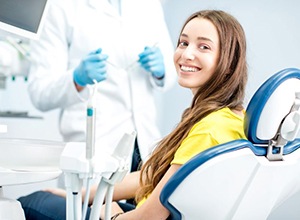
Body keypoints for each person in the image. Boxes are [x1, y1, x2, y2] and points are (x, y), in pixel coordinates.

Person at [19, 9, 248, 219]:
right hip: (103, 144)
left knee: (29, 203)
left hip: (140, 177)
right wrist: (81, 196)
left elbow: (151, 215)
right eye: (183, 43)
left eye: (203, 47)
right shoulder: (229, 118)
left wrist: (111, 214)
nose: (186, 54)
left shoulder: (209, 128)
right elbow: (153, 177)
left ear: (229, 61)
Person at [27, 0, 176, 172]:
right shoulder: (59, 6)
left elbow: (171, 73)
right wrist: (76, 79)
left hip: (145, 145)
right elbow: (40, 91)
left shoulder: (149, 5)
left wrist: (162, 70)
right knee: (92, 198)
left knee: (144, 194)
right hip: (95, 147)